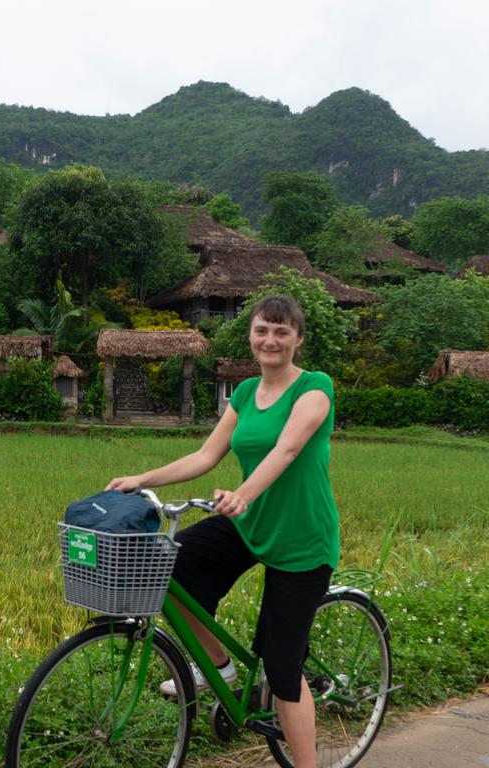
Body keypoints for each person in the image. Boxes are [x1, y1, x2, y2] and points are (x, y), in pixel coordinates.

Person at [107, 294, 338, 767]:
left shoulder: (315, 388)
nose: (270, 340)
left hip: (300, 540)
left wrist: (244, 493)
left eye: (281, 331)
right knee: (166, 568)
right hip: (247, 524)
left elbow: (288, 450)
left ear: (298, 339)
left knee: (282, 671)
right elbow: (206, 456)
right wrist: (142, 478)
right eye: (262, 330)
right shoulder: (245, 395)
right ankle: (220, 666)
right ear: (250, 336)